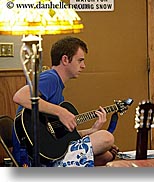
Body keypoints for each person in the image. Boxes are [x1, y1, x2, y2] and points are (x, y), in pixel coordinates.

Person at [12, 36, 118, 167]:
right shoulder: (51, 78)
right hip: (34, 156)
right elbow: (20, 96)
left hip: (49, 151)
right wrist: (61, 112)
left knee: (106, 156)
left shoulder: (58, 89)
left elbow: (60, 138)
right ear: (65, 59)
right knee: (106, 138)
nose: (83, 66)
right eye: (80, 61)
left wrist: (92, 130)